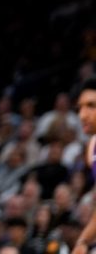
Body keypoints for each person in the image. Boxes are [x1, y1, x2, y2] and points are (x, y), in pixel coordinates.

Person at [73, 76, 96, 253]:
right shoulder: (92, 146)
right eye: (79, 108)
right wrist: (83, 241)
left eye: (91, 106)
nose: (82, 115)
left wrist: (84, 240)